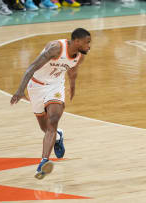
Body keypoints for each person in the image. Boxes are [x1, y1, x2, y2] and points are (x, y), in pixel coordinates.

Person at [10, 28, 91, 180]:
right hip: (36, 86)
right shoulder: (56, 48)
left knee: (53, 120)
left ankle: (44, 161)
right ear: (77, 41)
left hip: (55, 86)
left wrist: (72, 86)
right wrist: (20, 90)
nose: (89, 46)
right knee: (45, 127)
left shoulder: (80, 56)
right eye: (87, 43)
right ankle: (58, 136)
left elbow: (72, 70)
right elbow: (32, 67)